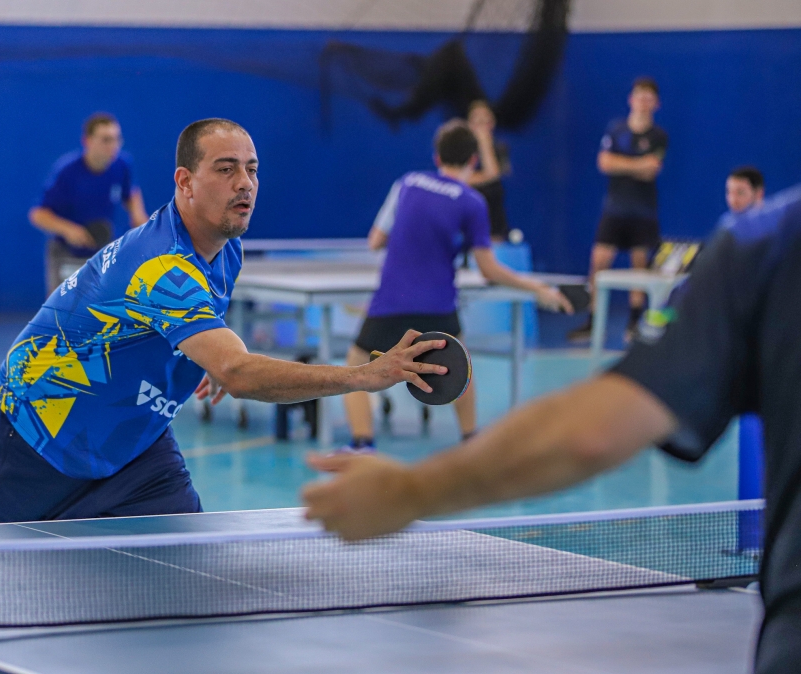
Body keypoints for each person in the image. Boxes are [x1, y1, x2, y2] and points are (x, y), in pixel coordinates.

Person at [303, 184, 801, 674]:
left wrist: (407, 493)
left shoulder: (767, 243)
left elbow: (595, 431)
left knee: (364, 357)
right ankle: (459, 435)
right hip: (436, 304)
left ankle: (365, 441)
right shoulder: (766, 243)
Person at [0, 118, 448, 525]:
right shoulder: (162, 266)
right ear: (185, 182)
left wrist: (201, 357)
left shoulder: (227, 249)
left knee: (189, 564)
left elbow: (194, 335)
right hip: (39, 437)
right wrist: (364, 376)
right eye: (226, 169)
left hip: (135, 444)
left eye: (252, 170)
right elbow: (239, 373)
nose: (245, 183)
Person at [340, 120, 572, 451]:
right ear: (474, 160)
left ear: (437, 157)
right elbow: (488, 269)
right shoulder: (473, 202)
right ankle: (470, 439)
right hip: (438, 305)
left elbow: (375, 241)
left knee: (356, 363)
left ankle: (363, 443)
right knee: (461, 367)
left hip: (391, 302)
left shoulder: (407, 183)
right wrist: (537, 288)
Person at [569, 77, 668, 342]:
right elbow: (604, 163)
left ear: (656, 104)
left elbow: (651, 170)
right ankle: (592, 320)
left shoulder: (658, 136)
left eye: (649, 98)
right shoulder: (617, 130)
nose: (643, 102)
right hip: (615, 209)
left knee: (639, 267)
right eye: (639, 96)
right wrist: (637, 164)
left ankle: (634, 322)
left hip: (644, 211)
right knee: (599, 263)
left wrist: (621, 163)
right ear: (631, 100)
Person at [30, 112, 150, 296]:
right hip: (66, 253)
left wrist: (139, 218)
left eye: (117, 139)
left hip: (102, 250)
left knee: (104, 306)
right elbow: (38, 215)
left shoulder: (122, 165)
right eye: (106, 140)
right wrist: (69, 230)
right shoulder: (67, 172)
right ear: (87, 141)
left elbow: (131, 193)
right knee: (62, 309)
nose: (113, 146)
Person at [465, 100, 513, 242]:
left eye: (485, 120)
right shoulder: (463, 151)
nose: (481, 125)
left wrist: (484, 143)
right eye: (477, 120)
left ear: (492, 123)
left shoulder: (501, 148)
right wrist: (484, 177)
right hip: (467, 218)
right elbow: (462, 179)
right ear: (469, 124)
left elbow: (494, 173)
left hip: (494, 221)